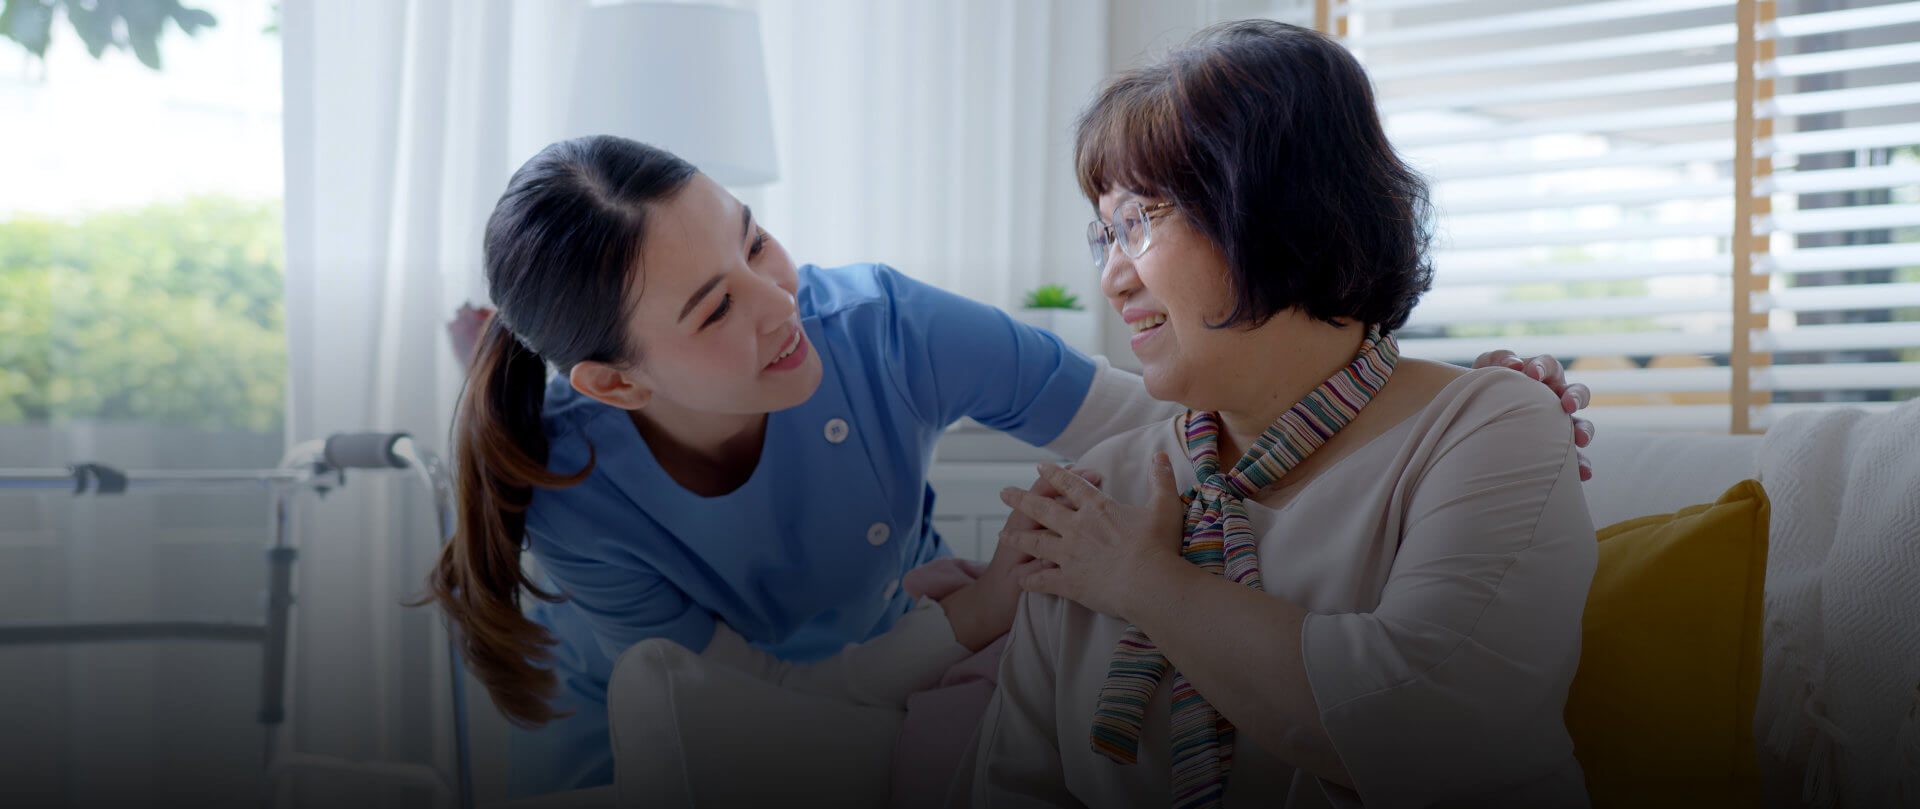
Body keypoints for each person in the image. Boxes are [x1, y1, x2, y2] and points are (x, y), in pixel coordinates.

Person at [415, 133, 1597, 797]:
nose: (784, 300)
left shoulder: (880, 324)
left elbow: (1177, 414)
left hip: (899, 675)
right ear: (615, 381)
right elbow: (737, 705)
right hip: (664, 751)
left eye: (758, 239)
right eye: (721, 303)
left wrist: (1414, 395)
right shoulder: (572, 495)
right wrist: (985, 604)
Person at [956, 21, 1598, 808]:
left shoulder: (1492, 426)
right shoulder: (1101, 491)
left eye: (1141, 221)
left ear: (1278, 210)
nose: (1113, 278)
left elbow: (1424, 730)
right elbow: (1011, 784)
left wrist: (1145, 583)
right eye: (1104, 235)